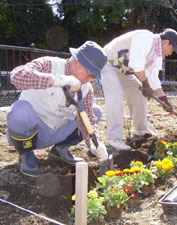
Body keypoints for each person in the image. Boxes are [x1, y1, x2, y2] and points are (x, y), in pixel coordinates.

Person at [7, 41, 109, 179]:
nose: (89, 80)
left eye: (93, 78)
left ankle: (60, 150)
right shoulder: (48, 65)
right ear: (76, 62)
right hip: (33, 132)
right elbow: (17, 76)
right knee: (20, 112)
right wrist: (55, 80)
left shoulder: (86, 89)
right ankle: (26, 154)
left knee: (95, 111)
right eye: (89, 74)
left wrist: (94, 143)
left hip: (57, 131)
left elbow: (88, 119)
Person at [101, 28, 177, 151]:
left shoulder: (157, 55)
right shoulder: (145, 38)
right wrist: (145, 84)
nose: (171, 53)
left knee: (138, 95)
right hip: (108, 63)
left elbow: (153, 78)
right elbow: (136, 64)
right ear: (166, 42)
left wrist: (164, 99)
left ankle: (141, 130)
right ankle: (114, 138)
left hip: (124, 71)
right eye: (172, 49)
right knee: (116, 96)